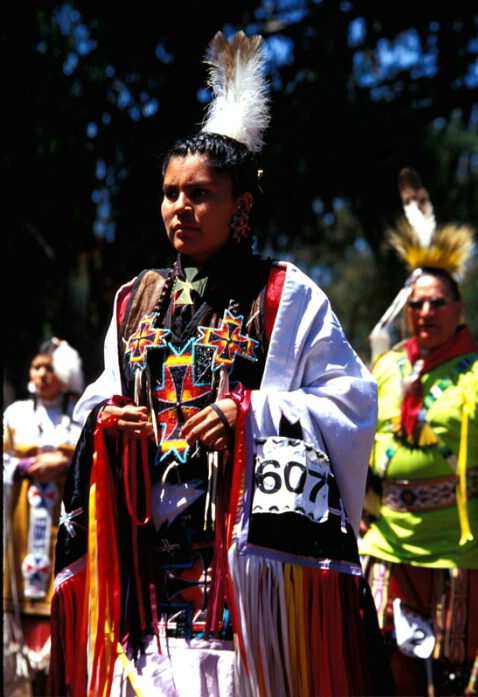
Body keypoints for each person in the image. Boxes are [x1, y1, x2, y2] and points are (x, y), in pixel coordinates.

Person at [49, 31, 393, 697]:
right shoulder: (135, 299)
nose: (182, 206)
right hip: (147, 571)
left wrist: (252, 412)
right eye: (171, 192)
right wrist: (108, 422)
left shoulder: (286, 294)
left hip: (243, 573)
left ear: (241, 205)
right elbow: (97, 400)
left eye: (201, 193)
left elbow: (350, 401)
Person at [361, 167, 478, 696]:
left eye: (437, 302)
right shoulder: (385, 368)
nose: (425, 311)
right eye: (417, 303)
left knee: (454, 676)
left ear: (459, 311)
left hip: (455, 552)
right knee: (386, 668)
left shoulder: (475, 373)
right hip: (385, 542)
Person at [3, 337, 85, 697]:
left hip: (62, 526)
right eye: (37, 367)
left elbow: (92, 460)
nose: (42, 374)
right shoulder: (16, 415)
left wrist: (63, 464)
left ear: (65, 373)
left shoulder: (78, 415)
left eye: (49, 368)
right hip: (23, 525)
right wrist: (26, 466)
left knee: (61, 590)